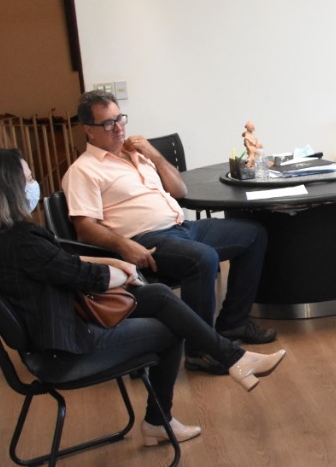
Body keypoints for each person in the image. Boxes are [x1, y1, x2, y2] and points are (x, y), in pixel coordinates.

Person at [0, 149, 287, 445]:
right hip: (66, 349)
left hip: (49, 333)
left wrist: (112, 263)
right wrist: (120, 272)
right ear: (7, 190)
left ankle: (233, 359)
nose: (34, 185)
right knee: (170, 329)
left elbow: (58, 262)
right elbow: (86, 277)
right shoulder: (22, 240)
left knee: (157, 295)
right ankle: (160, 419)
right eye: (28, 180)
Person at [61, 91, 276, 375]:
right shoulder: (83, 171)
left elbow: (179, 190)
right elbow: (85, 227)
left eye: (120, 119)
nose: (119, 128)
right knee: (203, 259)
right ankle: (200, 352)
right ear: (88, 129)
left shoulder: (138, 155)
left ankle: (233, 322)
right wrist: (124, 245)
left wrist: (152, 154)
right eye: (108, 123)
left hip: (182, 228)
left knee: (253, 234)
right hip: (145, 240)